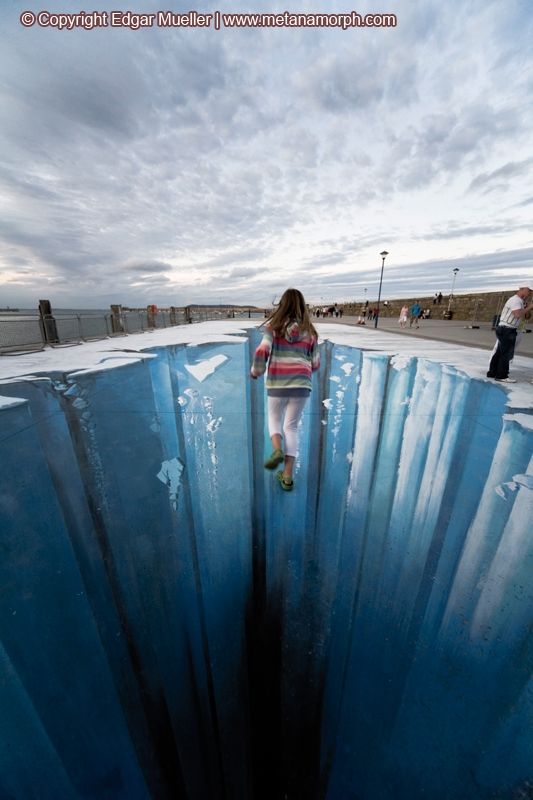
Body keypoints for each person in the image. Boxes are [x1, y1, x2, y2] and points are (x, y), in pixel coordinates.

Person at [251, 288, 320, 491]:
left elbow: (262, 350)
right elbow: (315, 363)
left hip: (277, 383)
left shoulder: (274, 328)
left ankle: (276, 450)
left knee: (274, 420)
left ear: (282, 305)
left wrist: (256, 370)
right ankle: (288, 477)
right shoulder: (311, 332)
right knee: (291, 427)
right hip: (302, 385)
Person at [487, 286, 533, 383]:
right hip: (507, 329)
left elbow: (526, 316)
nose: (530, 293)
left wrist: (527, 307)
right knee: (506, 354)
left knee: (499, 352)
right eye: (529, 290)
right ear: (522, 289)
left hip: (505, 329)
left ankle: (492, 372)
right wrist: (529, 307)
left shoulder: (519, 301)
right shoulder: (516, 300)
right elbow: (517, 314)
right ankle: (502, 375)